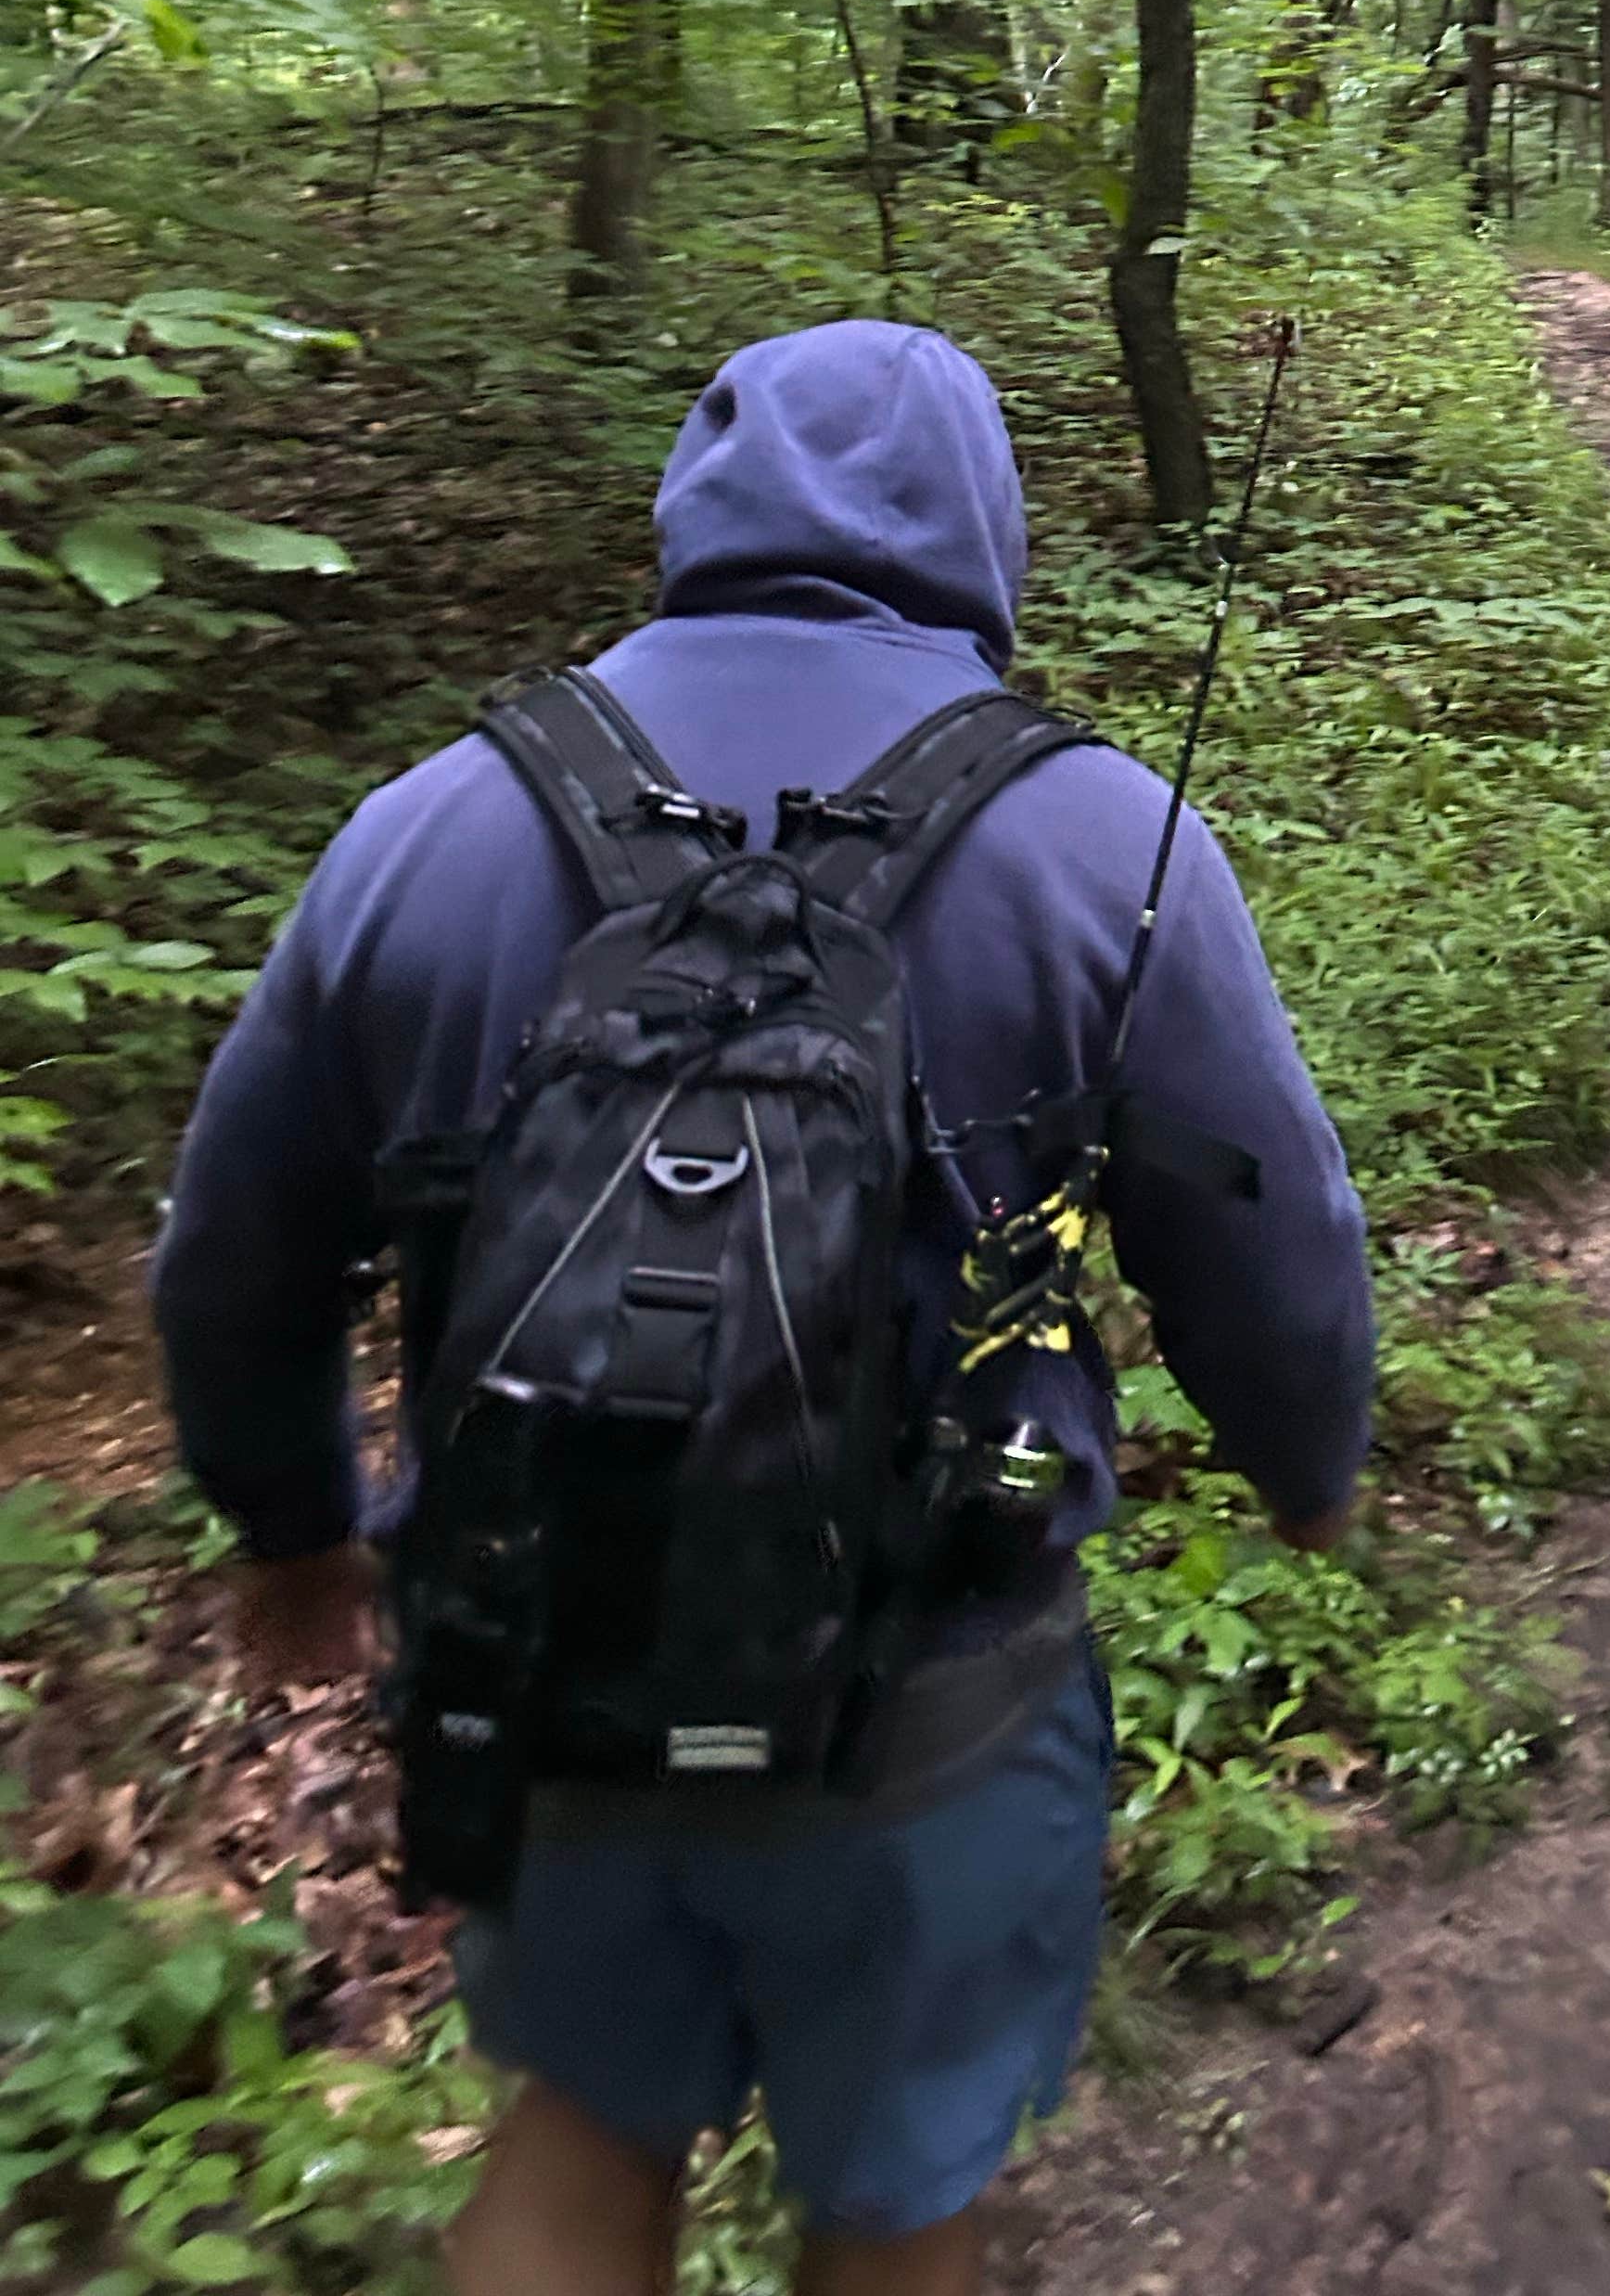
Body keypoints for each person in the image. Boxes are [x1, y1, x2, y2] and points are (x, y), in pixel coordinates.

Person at [153, 319, 1375, 2296]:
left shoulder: (432, 823)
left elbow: (236, 1247)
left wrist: (293, 1531)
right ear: (990, 528)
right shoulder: (1103, 844)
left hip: (539, 1657)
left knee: (578, 2140)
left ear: (693, 503)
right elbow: (1272, 1231)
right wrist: (1308, 1472)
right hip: (938, 1689)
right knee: (899, 2201)